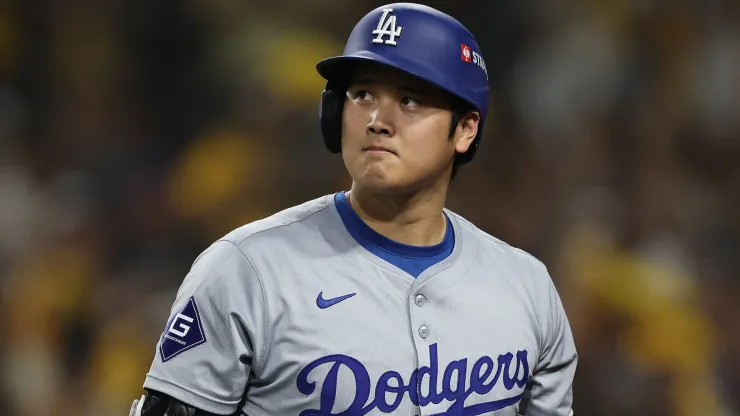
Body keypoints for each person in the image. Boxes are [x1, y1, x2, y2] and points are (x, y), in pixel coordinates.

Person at [130, 3, 577, 415]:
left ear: (464, 130)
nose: (378, 120)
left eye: (410, 100)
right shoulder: (245, 270)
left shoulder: (528, 288)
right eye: (362, 94)